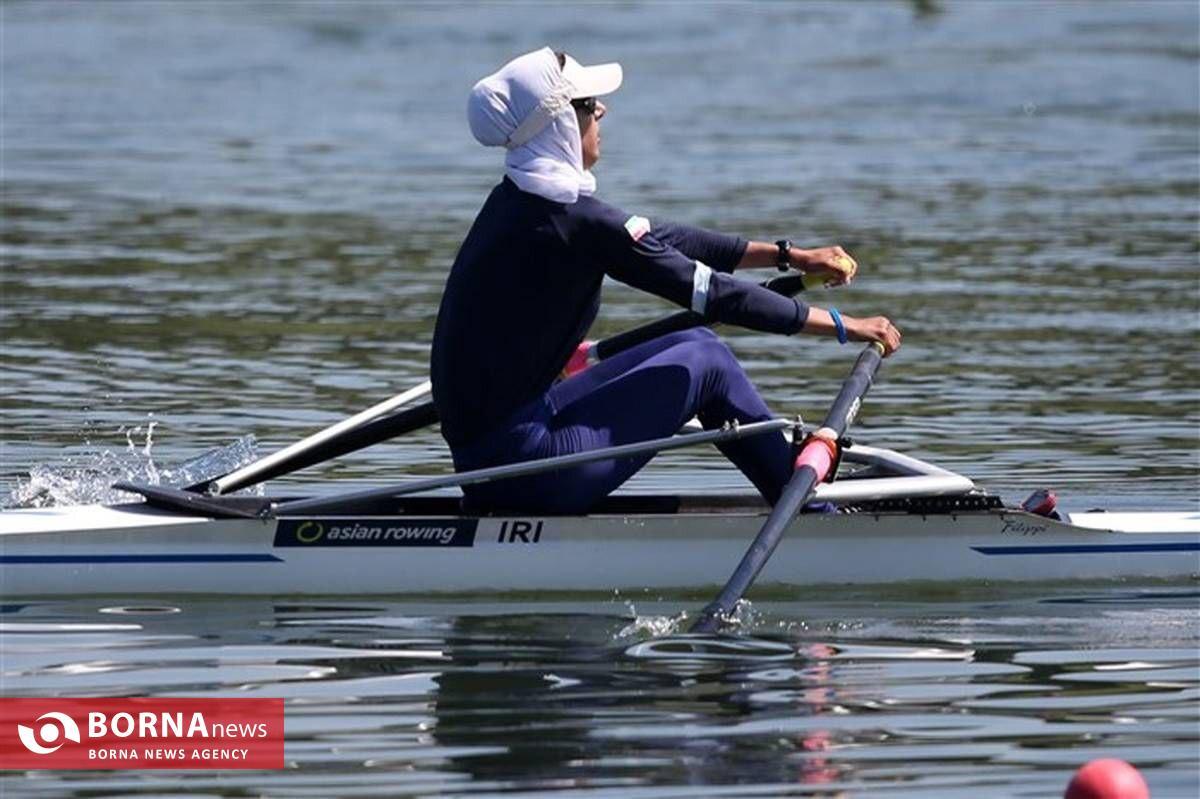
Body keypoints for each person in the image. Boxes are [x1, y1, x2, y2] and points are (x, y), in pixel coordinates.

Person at [431, 47, 901, 514]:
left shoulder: (522, 202)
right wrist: (846, 325)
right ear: (560, 125)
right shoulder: (571, 222)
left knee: (695, 340)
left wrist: (786, 255)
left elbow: (658, 237)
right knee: (708, 361)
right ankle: (807, 511)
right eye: (591, 104)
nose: (603, 110)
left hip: (502, 451)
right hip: (523, 472)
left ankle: (789, 483)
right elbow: (714, 296)